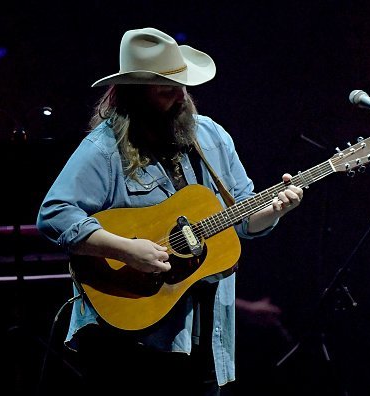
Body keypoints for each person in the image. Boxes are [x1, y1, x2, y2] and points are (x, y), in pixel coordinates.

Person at [36, 27, 303, 395]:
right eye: (165, 90)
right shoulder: (104, 148)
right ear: (134, 95)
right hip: (132, 339)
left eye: (181, 86)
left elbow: (241, 218)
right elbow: (54, 214)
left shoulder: (211, 136)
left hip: (207, 334)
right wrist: (127, 250)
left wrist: (274, 211)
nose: (179, 97)